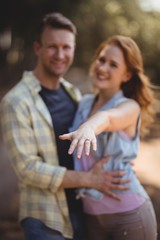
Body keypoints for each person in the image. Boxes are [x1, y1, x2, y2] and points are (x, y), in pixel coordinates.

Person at [0, 13, 130, 240]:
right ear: (38, 48)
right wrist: (89, 180)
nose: (60, 55)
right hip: (45, 220)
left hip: (81, 212)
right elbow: (28, 170)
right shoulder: (16, 101)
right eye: (52, 47)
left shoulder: (74, 94)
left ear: (73, 48)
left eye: (66, 47)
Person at [60, 35, 158, 240]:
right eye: (101, 59)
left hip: (129, 216)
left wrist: (88, 128)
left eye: (113, 64)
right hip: (92, 217)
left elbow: (108, 117)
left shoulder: (129, 107)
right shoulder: (84, 103)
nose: (103, 67)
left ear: (127, 75)